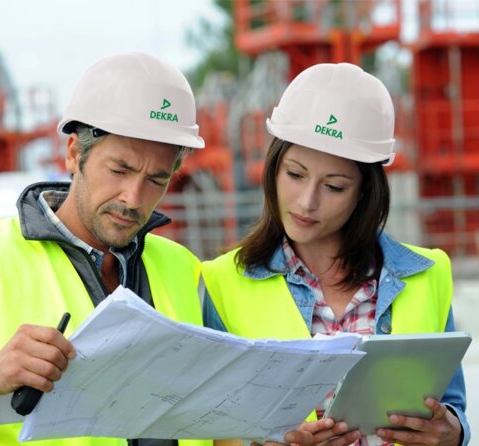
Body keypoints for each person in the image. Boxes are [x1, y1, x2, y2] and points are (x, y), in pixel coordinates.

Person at [0, 52, 213, 446]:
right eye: (119, 170)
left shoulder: (183, 269)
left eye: (156, 180)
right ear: (74, 153)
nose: (133, 198)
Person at [200, 63, 470, 446]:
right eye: (295, 175)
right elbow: (212, 427)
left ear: (364, 191)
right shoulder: (221, 282)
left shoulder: (428, 275)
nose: (307, 202)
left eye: (334, 186)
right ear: (274, 168)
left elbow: (452, 406)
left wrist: (453, 434)